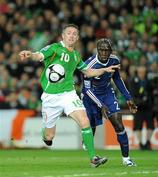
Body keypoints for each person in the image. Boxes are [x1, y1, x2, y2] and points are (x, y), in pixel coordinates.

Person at [19, 24, 120, 168]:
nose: (71, 36)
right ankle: (44, 133)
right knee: (49, 137)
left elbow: (88, 72)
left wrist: (104, 70)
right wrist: (30, 54)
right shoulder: (54, 48)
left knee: (85, 121)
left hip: (68, 94)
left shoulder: (76, 55)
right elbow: (39, 55)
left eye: (74, 34)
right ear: (63, 36)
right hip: (50, 97)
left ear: (77, 38)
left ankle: (93, 158)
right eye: (69, 33)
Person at [81, 38, 137, 166]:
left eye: (107, 50)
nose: (104, 53)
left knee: (118, 123)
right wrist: (101, 105)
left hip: (107, 94)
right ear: (97, 50)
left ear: (111, 51)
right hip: (90, 96)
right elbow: (87, 89)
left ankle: (126, 159)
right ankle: (89, 144)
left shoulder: (114, 60)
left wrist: (128, 97)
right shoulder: (89, 65)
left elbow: (117, 79)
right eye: (101, 50)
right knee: (91, 127)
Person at [130, 66, 154, 150]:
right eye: (140, 72)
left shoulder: (149, 81)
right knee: (137, 126)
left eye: (143, 72)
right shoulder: (133, 81)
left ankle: (148, 142)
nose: (142, 74)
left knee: (150, 125)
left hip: (148, 107)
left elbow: (152, 92)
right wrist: (138, 101)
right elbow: (132, 93)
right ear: (138, 72)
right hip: (138, 107)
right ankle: (140, 143)